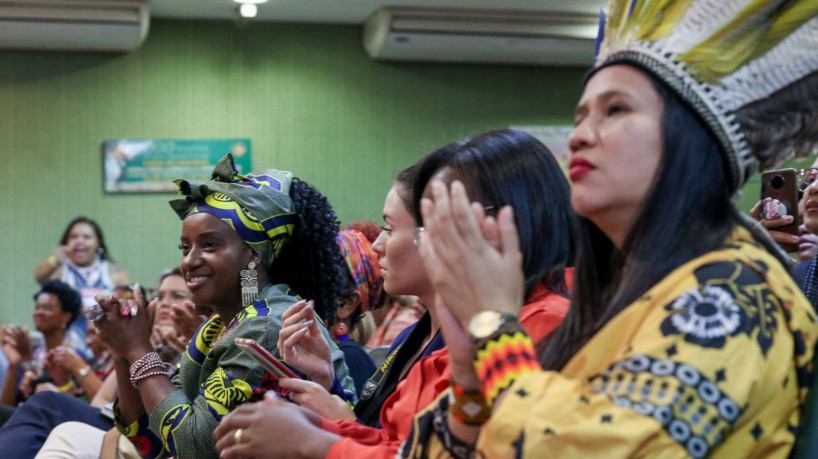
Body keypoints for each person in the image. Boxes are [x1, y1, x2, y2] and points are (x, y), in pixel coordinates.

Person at [385, 1, 817, 457]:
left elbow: (584, 448)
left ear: (690, 141)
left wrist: (493, 326)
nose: (580, 136)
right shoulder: (622, 291)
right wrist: (470, 373)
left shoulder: (732, 291)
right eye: (580, 116)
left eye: (615, 110)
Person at [213, 128, 577, 458]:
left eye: (437, 226)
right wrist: (321, 421)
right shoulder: (461, 328)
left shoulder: (542, 324)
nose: (382, 245)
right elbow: (423, 443)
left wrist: (317, 439)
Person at [89, 154, 355, 459]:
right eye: (185, 247)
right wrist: (123, 350)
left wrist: (139, 350)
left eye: (210, 245)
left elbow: (194, 447)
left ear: (253, 256)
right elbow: (149, 433)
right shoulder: (218, 326)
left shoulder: (267, 324)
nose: (189, 261)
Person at [33, 217, 131, 357]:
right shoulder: (60, 271)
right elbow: (39, 277)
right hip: (68, 344)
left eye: (86, 237)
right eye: (74, 237)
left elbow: (128, 305)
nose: (79, 241)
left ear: (98, 243)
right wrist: (54, 259)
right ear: (66, 243)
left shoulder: (113, 272)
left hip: (105, 345)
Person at [0, 280, 83, 409]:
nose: (38, 313)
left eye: (47, 308)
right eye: (37, 307)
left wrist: (27, 359)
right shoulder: (34, 351)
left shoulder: (74, 357)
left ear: (66, 316)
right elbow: (6, 406)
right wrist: (14, 363)